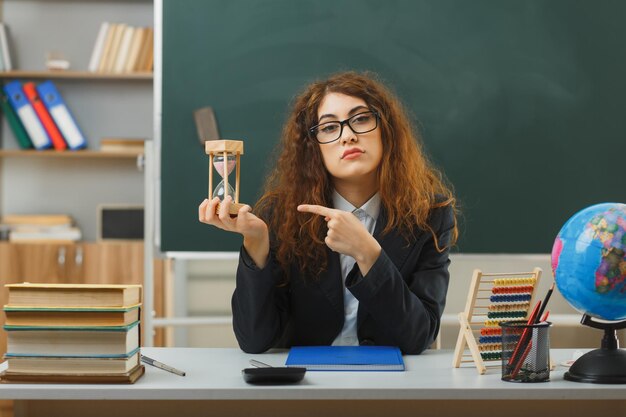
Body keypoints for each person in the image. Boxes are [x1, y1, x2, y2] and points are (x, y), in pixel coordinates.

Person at [199, 71, 458, 354]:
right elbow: (255, 340)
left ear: (386, 128)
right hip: (307, 386)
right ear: (313, 147)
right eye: (329, 127)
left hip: (393, 385)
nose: (347, 136)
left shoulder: (430, 214)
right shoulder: (280, 213)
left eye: (360, 119)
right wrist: (256, 242)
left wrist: (369, 254)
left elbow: (418, 337)